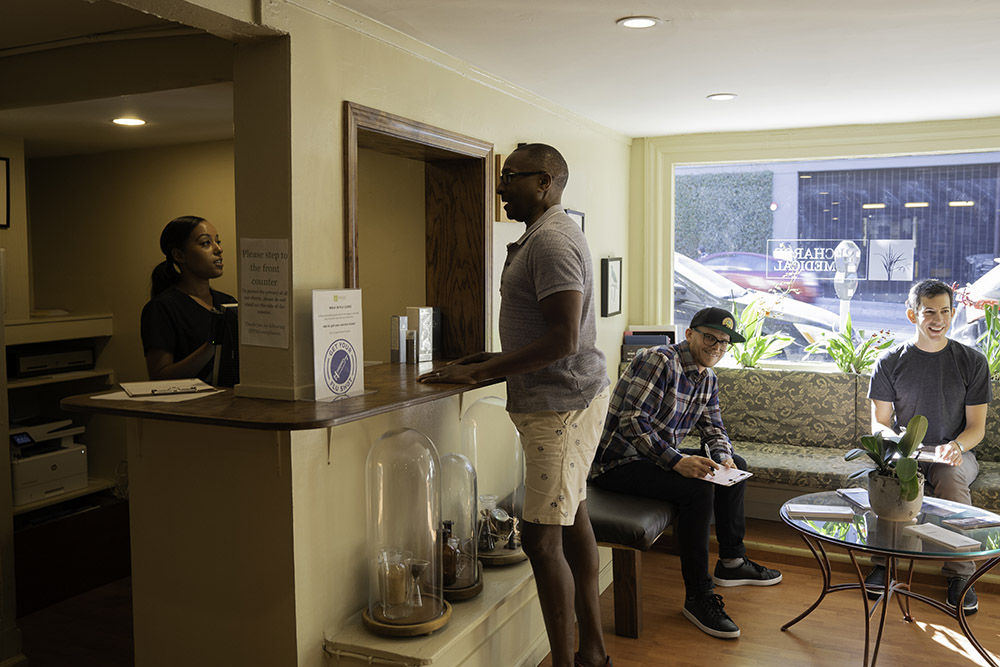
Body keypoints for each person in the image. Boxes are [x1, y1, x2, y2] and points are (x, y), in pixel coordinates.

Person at [418, 144, 612, 667]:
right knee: (573, 520)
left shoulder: (551, 240)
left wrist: (482, 372)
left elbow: (563, 339)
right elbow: (543, 331)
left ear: (545, 182)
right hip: (564, 399)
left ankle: (571, 661)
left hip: (560, 406)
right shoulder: (541, 236)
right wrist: (482, 359)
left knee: (540, 542)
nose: (500, 187)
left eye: (510, 177)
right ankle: (593, 652)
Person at [589, 307, 782, 640]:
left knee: (736, 466)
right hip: (616, 464)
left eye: (724, 342)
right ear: (690, 334)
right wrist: (676, 461)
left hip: (653, 459)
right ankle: (698, 595)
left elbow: (715, 429)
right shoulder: (659, 360)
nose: (717, 347)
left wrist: (724, 461)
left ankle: (732, 562)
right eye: (710, 337)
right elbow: (632, 421)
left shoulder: (707, 378)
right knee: (698, 489)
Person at [865, 279, 990, 613]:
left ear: (953, 313)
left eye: (946, 311)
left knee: (950, 479)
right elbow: (879, 422)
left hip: (956, 452)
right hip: (906, 451)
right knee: (889, 478)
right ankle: (883, 562)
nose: (939, 319)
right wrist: (896, 445)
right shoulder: (889, 361)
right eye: (930, 312)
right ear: (912, 314)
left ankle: (960, 574)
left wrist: (957, 447)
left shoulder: (972, 362)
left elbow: (977, 428)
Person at [140, 215, 236, 383]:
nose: (218, 249)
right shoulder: (162, 308)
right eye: (206, 243)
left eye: (217, 242)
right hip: (189, 407)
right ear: (179, 255)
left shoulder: (228, 302)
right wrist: (211, 345)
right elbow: (159, 377)